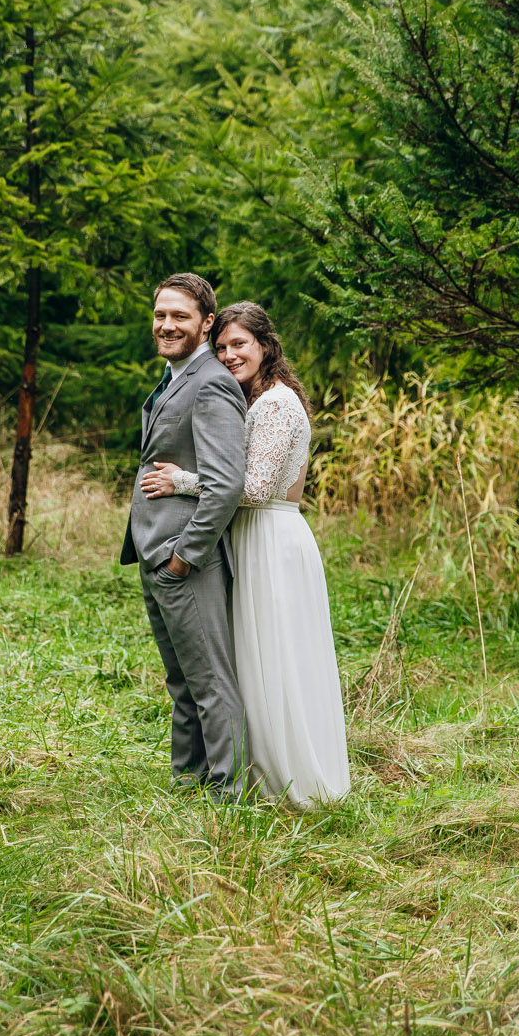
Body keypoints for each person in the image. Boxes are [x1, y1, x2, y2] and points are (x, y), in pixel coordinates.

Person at [141, 302, 350, 807]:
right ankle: (255, 772)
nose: (231, 356)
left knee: (277, 658)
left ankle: (292, 779)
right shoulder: (252, 397)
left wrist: (180, 480)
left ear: (265, 346)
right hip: (250, 537)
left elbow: (251, 487)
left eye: (241, 345)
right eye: (223, 348)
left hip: (272, 539)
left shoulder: (277, 402)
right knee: (253, 660)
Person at [119, 274, 250, 797]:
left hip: (184, 560)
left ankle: (228, 794)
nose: (167, 325)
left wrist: (184, 559)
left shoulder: (212, 382)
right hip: (156, 554)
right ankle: (187, 783)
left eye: (180, 316)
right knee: (182, 683)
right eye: (160, 315)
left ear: (207, 323)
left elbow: (225, 485)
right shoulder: (174, 377)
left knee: (211, 683)